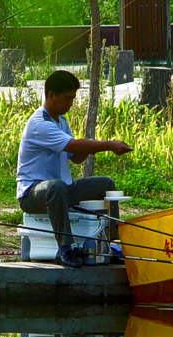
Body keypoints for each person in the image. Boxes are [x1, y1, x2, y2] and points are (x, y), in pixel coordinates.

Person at [16, 70, 133, 268]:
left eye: (72, 98)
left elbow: (76, 157)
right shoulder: (40, 124)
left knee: (106, 184)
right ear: (51, 95)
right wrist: (108, 145)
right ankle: (65, 249)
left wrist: (89, 145)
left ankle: (111, 243)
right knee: (56, 186)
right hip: (32, 194)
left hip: (62, 190)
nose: (70, 103)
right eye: (67, 98)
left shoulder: (61, 121)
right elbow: (75, 147)